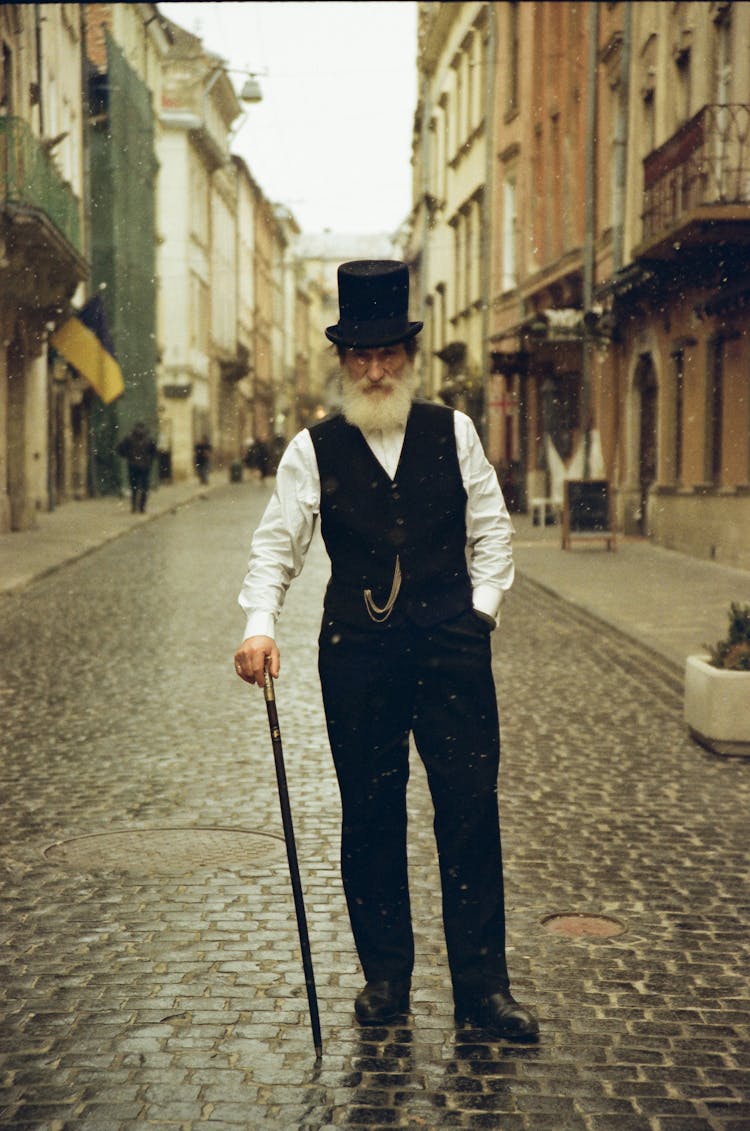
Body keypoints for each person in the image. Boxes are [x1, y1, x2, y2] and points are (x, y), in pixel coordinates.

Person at [234, 261, 538, 1041]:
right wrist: (258, 623)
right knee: (371, 815)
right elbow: (277, 546)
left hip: (453, 649)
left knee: (469, 813)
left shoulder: (454, 431)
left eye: (388, 353)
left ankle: (483, 989)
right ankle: (386, 980)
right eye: (359, 355)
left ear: (409, 354)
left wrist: (478, 613)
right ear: (343, 362)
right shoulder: (313, 449)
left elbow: (492, 529)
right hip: (358, 655)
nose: (375, 369)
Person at [117, 421, 156, 514]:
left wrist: (128, 456)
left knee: (134, 487)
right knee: (144, 487)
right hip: (145, 466)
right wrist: (149, 460)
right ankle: (142, 507)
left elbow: (120, 449)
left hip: (132, 466)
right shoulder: (149, 439)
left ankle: (134, 507)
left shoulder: (129, 438)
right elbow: (154, 452)